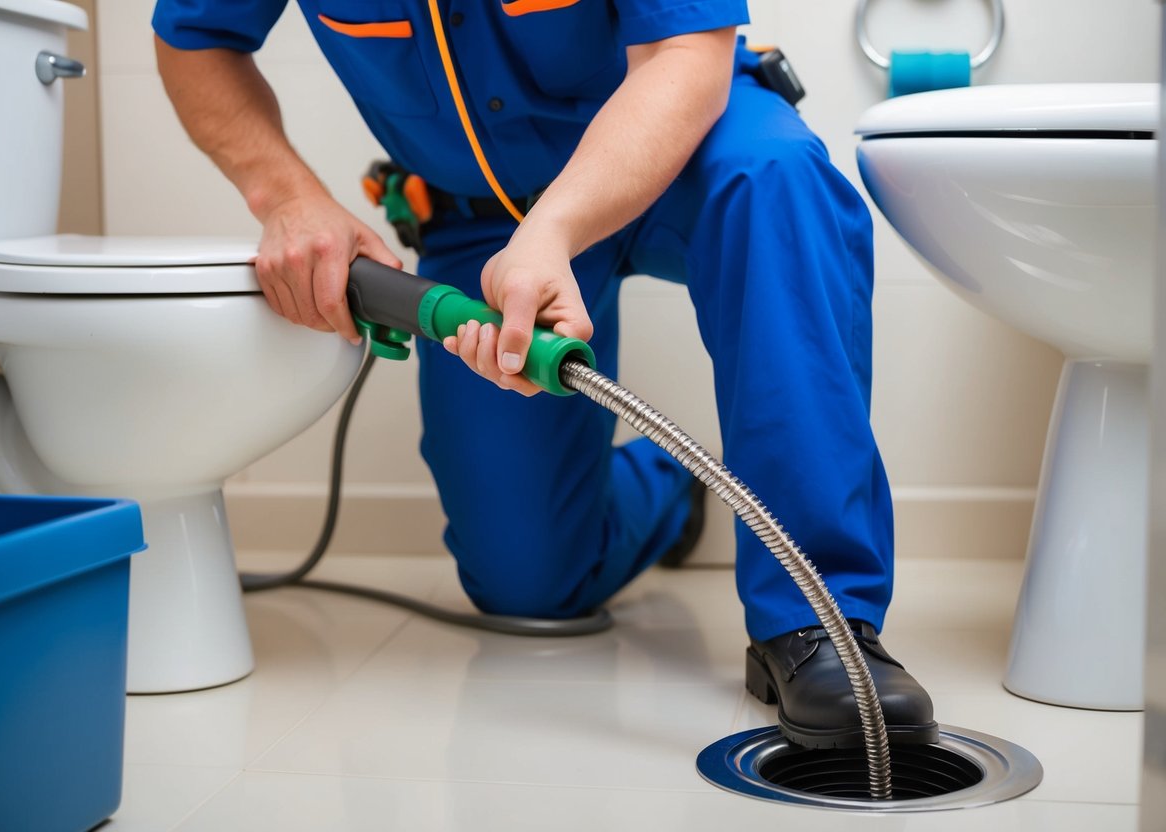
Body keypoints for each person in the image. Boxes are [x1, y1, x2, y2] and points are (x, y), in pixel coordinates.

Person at [151, 0, 937, 748]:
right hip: (481, 212)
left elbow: (683, 51)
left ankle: (819, 623)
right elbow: (193, 36)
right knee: (527, 586)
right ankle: (676, 479)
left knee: (774, 177)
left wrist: (555, 228)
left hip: (687, 139)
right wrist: (287, 195)